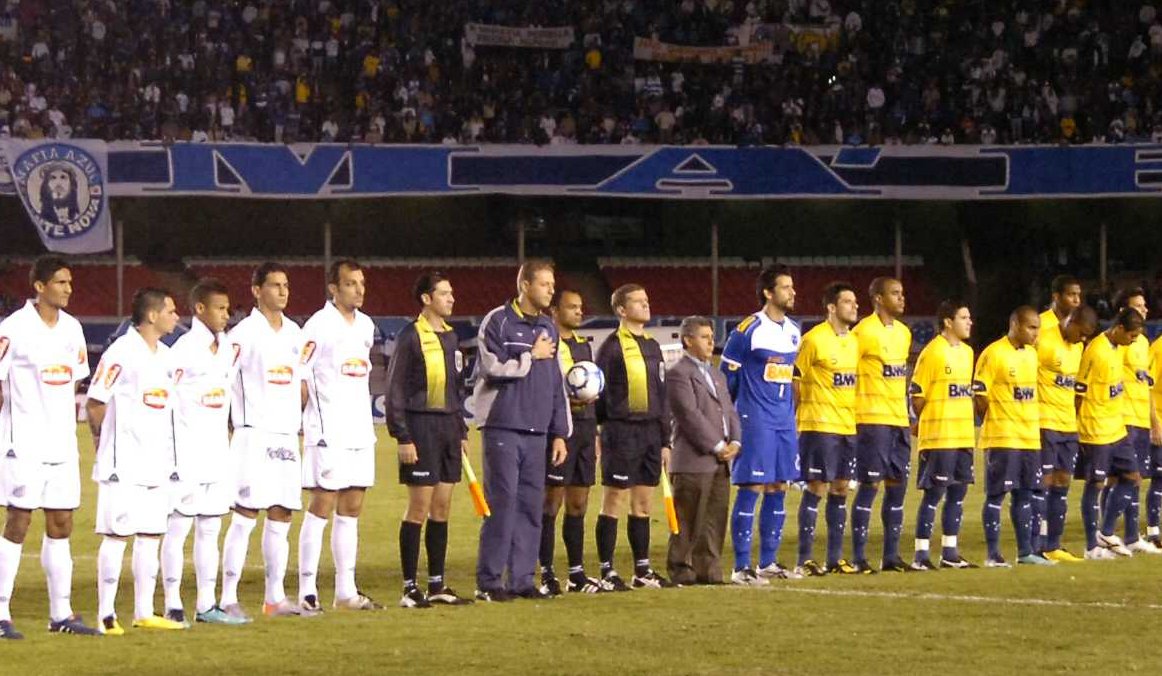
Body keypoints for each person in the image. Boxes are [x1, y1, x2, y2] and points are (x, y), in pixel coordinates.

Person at [0, 256, 99, 639]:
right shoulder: (13, 329)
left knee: (62, 523)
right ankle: (1, 612)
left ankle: (61, 614)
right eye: (61, 282)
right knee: (18, 521)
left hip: (61, 444)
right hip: (22, 443)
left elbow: (75, 383)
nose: (68, 288)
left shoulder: (72, 329)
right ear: (39, 287)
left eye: (70, 282)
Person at [86, 288, 184, 634]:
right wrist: (103, 445)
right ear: (152, 315)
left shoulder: (168, 357)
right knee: (116, 535)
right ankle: (106, 615)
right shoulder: (121, 352)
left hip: (156, 461)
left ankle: (144, 610)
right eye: (171, 310)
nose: (176, 316)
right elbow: (95, 400)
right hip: (123, 462)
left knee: (150, 535)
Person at [474, 261, 571, 602]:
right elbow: (491, 367)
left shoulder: (549, 326)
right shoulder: (497, 321)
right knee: (502, 504)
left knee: (532, 506)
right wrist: (532, 355)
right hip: (503, 423)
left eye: (552, 283)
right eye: (544, 284)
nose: (550, 290)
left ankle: (522, 579)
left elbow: (556, 382)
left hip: (538, 430)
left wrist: (560, 431)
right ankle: (489, 581)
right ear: (524, 285)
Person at [220, 262, 309, 619]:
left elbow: (301, 382)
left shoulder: (294, 333)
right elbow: (222, 379)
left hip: (286, 435)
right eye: (275, 285)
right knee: (244, 514)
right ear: (256, 290)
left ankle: (275, 598)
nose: (283, 291)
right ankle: (227, 597)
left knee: (282, 514)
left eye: (286, 285)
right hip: (252, 434)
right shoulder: (242, 334)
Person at [297, 260, 383, 612]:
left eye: (361, 283)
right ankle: (306, 590)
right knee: (321, 505)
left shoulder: (366, 325)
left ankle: (345, 591)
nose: (359, 290)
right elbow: (300, 374)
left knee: (352, 507)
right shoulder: (318, 326)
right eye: (350, 284)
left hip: (360, 430)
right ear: (333, 289)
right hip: (327, 431)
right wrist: (297, 421)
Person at [160, 279, 247, 626]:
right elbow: (165, 399)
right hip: (186, 455)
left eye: (228, 308)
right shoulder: (182, 350)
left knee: (210, 528)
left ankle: (207, 604)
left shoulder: (228, 349)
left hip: (217, 454)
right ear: (200, 309)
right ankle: (172, 602)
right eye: (220, 308)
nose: (226, 315)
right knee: (178, 527)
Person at [385, 272, 473, 608]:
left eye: (452, 293)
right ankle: (409, 587)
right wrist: (403, 436)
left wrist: (461, 430)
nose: (451, 298)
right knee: (418, 508)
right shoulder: (410, 336)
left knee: (442, 507)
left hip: (448, 430)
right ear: (426, 298)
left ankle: (437, 583)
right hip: (419, 429)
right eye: (445, 293)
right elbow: (395, 388)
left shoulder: (451, 338)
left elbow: (456, 389)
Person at [721, 265, 802, 584]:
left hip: (784, 422)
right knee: (752, 487)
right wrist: (732, 419)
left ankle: (768, 562)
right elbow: (727, 377)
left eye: (792, 287)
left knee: (778, 486)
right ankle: (741, 567)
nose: (792, 292)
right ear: (768, 293)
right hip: (755, 420)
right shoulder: (748, 329)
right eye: (785, 287)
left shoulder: (795, 330)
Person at [594, 284, 673, 590]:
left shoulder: (653, 346)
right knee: (614, 498)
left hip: (651, 432)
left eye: (647, 299)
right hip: (622, 430)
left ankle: (642, 571)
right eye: (638, 302)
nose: (646, 305)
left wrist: (665, 440)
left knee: (643, 503)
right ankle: (607, 570)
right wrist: (602, 429)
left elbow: (662, 396)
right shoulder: (612, 347)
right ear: (622, 310)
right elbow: (599, 392)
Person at [664, 317, 740, 585]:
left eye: (711, 336)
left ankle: (708, 569)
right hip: (692, 460)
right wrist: (718, 445)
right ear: (688, 340)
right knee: (688, 519)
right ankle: (681, 568)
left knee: (714, 519)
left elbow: (730, 410)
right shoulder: (678, 374)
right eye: (705, 337)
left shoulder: (716, 373)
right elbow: (689, 415)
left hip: (720, 461)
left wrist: (736, 442)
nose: (711, 342)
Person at [974, 306, 1052, 567]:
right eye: (1031, 327)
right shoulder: (994, 353)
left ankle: (1026, 552)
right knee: (997, 495)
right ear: (1015, 324)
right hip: (1003, 437)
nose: (1036, 333)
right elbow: (980, 393)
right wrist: (996, 418)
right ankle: (993, 554)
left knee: (1026, 494)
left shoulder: (1032, 355)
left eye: (1038, 328)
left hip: (1029, 437)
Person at [539, 289, 605, 595]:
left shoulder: (583, 346)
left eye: (581, 307)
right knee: (551, 502)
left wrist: (596, 432)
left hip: (585, 429)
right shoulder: (549, 343)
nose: (579, 312)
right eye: (572, 307)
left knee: (579, 503)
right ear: (555, 311)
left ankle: (576, 574)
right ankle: (545, 572)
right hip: (559, 431)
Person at [793, 282, 860, 576]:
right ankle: (805, 558)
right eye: (847, 301)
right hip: (818, 425)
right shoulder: (813, 340)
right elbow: (795, 380)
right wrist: (797, 415)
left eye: (855, 301)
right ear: (832, 307)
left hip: (847, 425)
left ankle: (835, 558)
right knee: (816, 487)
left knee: (842, 488)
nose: (854, 306)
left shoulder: (854, 342)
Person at [850, 277, 912, 573]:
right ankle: (860, 557)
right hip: (871, 419)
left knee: (897, 485)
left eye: (902, 293)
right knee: (870, 485)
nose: (901, 298)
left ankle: (891, 556)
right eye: (895, 294)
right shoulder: (862, 332)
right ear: (877, 298)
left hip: (899, 419)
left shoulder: (904, 333)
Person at [910, 300, 977, 570]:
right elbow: (916, 395)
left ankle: (950, 552)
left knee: (957, 494)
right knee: (933, 494)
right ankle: (921, 555)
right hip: (939, 437)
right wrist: (926, 423)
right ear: (948, 322)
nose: (969, 322)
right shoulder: (932, 353)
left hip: (963, 436)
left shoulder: (969, 353)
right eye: (964, 317)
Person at [1076, 307, 1146, 559]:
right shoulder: (1095, 351)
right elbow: (1079, 392)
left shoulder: (1119, 348)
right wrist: (1079, 430)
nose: (1133, 341)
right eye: (1131, 336)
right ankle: (1090, 547)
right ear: (1118, 329)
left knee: (1132, 477)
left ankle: (1105, 532)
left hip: (1117, 428)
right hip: (1096, 430)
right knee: (1095, 484)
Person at [1037, 306, 1097, 562]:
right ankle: (1036, 544)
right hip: (1045, 422)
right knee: (1044, 483)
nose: (1083, 339)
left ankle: (1054, 544)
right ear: (1070, 321)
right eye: (1081, 333)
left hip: (1068, 425)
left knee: (1063, 482)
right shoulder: (1043, 339)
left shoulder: (1078, 348)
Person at [1108, 290, 1159, 554]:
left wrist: (1154, 422)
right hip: (1123, 415)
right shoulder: (1118, 344)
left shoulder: (1142, 342)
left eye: (1145, 305)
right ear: (1123, 313)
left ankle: (1130, 535)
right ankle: (1106, 534)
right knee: (1119, 478)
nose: (1144, 310)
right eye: (1138, 306)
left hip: (1140, 417)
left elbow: (1146, 383)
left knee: (1136, 478)